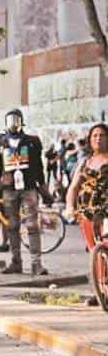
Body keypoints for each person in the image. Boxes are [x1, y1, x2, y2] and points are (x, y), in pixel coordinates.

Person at [0, 109, 50, 275]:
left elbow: (38, 166)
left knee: (32, 224)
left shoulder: (31, 141)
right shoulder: (1, 142)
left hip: (28, 187)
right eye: (10, 120)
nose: (13, 123)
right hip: (9, 188)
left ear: (21, 121)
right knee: (12, 225)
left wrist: (43, 187)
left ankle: (36, 263)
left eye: (16, 119)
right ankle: (16, 261)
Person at [66, 123, 108, 304]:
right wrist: (69, 206)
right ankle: (100, 291)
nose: (98, 138)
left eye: (102, 135)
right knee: (95, 252)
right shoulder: (85, 162)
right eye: (94, 135)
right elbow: (74, 187)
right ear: (90, 140)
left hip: (106, 212)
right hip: (87, 213)